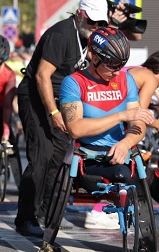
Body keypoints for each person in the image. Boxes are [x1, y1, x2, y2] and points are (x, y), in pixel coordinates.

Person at [14, 0, 109, 237]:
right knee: (41, 157)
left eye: (101, 23)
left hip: (61, 99)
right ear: (79, 15)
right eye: (92, 21)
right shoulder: (61, 35)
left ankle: (46, 212)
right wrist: (53, 113)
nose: (96, 26)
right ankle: (25, 218)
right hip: (37, 96)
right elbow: (42, 76)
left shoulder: (94, 39)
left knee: (59, 158)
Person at [58, 27, 154, 229]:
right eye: (111, 64)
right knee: (121, 174)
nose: (117, 70)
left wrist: (125, 143)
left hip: (121, 151)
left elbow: (138, 123)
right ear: (93, 55)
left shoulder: (126, 80)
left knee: (144, 176)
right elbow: (75, 129)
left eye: (121, 65)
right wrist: (121, 115)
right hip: (89, 157)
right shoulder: (73, 83)